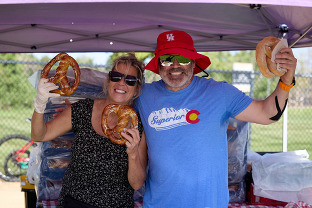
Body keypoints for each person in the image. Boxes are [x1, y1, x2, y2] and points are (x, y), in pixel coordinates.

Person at [134, 30, 297, 207]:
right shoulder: (143, 95)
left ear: (193, 62)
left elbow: (268, 114)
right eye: (167, 59)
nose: (175, 65)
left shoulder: (219, 93)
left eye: (183, 59)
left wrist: (286, 80)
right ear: (158, 65)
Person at [31, 53, 147, 208]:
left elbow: (137, 184)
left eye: (130, 80)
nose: (121, 83)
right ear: (108, 80)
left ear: (137, 88)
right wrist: (40, 103)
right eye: (116, 76)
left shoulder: (136, 126)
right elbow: (40, 135)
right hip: (74, 202)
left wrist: (132, 153)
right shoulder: (83, 109)